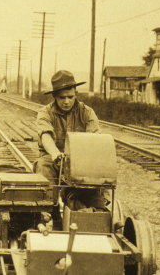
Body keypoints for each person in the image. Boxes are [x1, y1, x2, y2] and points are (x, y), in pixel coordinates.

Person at [34, 70, 107, 213]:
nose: (66, 101)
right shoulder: (45, 113)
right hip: (53, 160)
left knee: (100, 173)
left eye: (70, 97)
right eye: (62, 97)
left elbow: (94, 140)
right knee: (43, 164)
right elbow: (45, 135)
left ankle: (98, 208)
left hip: (80, 162)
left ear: (76, 94)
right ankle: (48, 210)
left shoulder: (87, 113)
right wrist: (55, 153)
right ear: (54, 96)